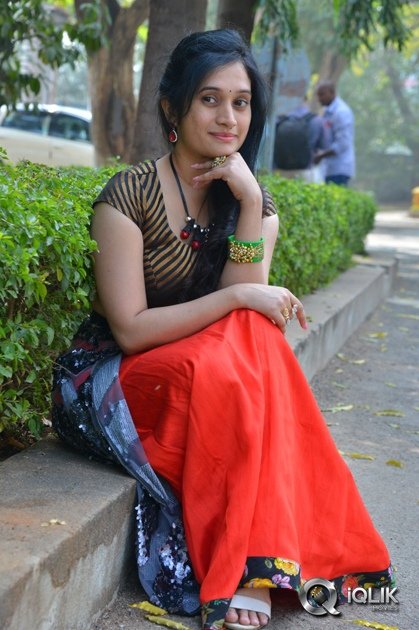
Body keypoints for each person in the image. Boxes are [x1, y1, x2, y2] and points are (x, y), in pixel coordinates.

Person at [51, 30, 393, 630]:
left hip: (207, 371)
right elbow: (131, 330)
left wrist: (250, 205)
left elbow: (245, 322)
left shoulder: (253, 203)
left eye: (241, 102)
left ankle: (250, 562)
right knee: (233, 352)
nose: (228, 117)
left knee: (250, 342)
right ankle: (250, 564)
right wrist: (236, 294)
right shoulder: (127, 198)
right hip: (115, 377)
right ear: (172, 108)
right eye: (210, 99)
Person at [273, 97, 329, 183]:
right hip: (305, 171)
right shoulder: (316, 120)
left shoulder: (278, 120)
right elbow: (324, 146)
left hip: (280, 171)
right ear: (306, 99)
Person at [314, 80, 355, 185]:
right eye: (318, 95)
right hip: (329, 169)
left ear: (332, 93)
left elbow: (343, 143)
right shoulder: (328, 112)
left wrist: (321, 156)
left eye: (322, 94)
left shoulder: (341, 112)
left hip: (339, 168)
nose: (319, 98)